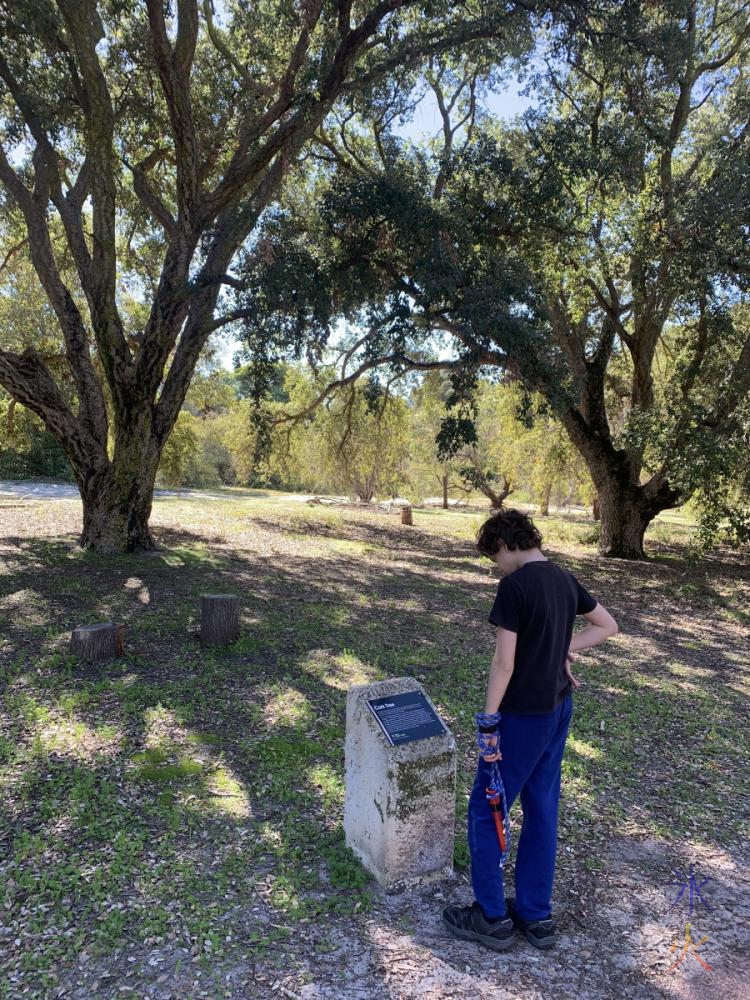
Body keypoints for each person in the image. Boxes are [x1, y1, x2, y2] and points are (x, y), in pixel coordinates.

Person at [443, 507, 619, 952]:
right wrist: (565, 651)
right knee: (542, 809)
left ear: (505, 543)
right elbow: (606, 626)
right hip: (559, 709)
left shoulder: (515, 586)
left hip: (521, 717)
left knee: (488, 810)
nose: (495, 566)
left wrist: (487, 721)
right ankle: (536, 917)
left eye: (493, 556)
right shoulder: (563, 578)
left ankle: (491, 917)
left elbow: (504, 662)